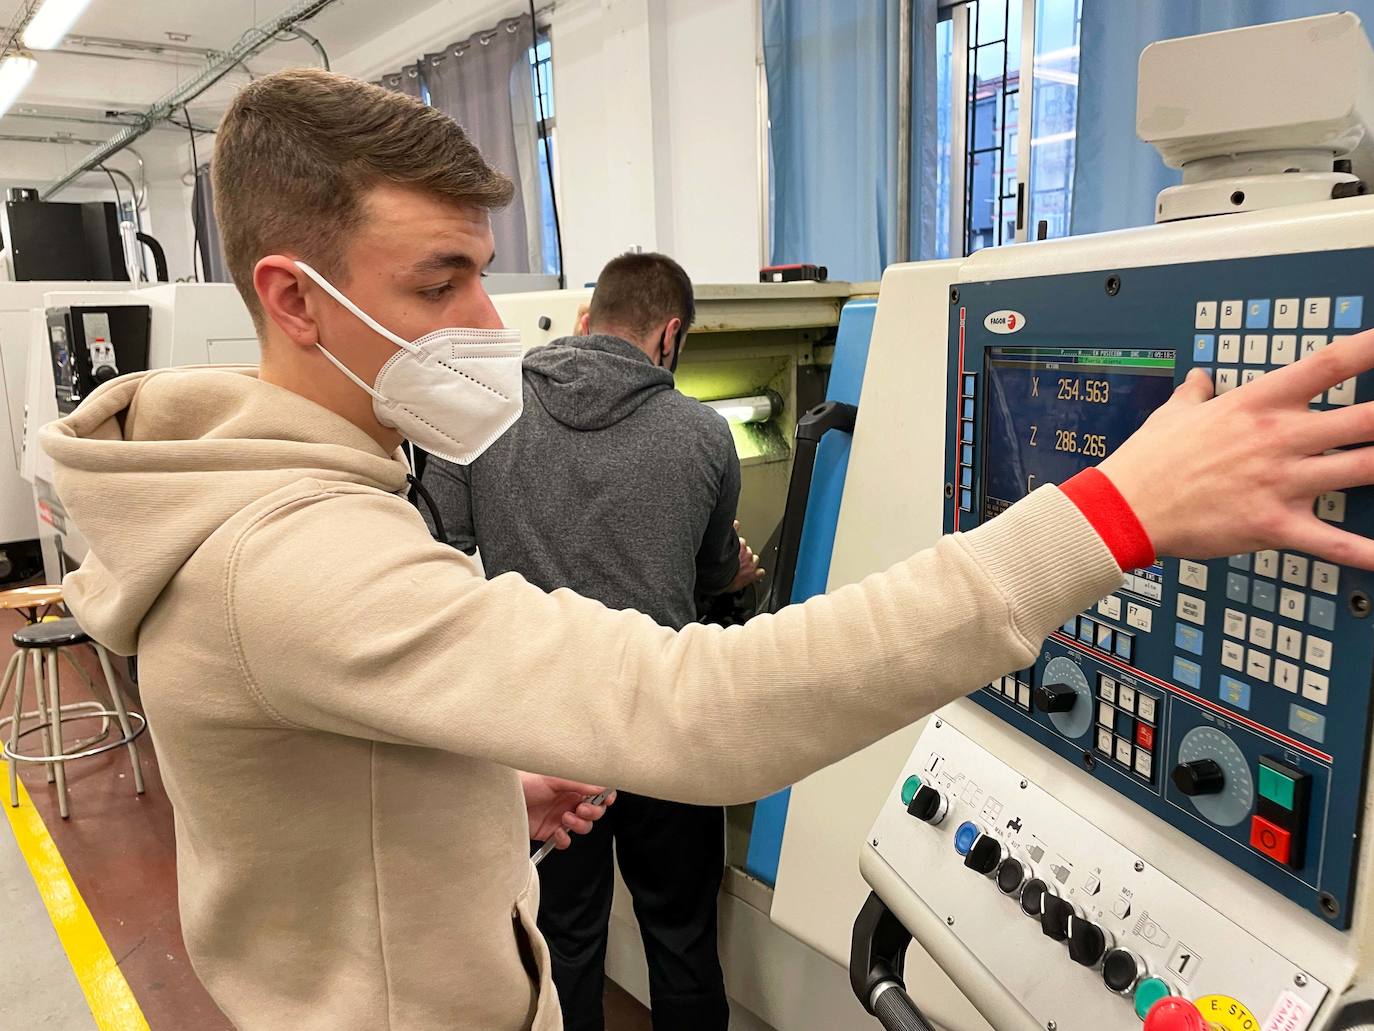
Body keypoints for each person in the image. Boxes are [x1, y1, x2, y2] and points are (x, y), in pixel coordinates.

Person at [39, 68, 1374, 1031]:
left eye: (483, 269)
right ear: (292, 296)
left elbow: (309, 790)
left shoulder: (259, 490)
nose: (489, 317)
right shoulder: (290, 556)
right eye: (439, 280)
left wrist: (470, 802)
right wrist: (1113, 510)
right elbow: (704, 700)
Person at [421, 251, 760, 1031]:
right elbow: (712, 575)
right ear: (670, 335)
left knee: (566, 940)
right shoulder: (705, 434)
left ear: (585, 318)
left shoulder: (486, 406)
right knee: (681, 937)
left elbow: (442, 538)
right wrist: (734, 577)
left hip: (543, 730)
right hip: (665, 723)